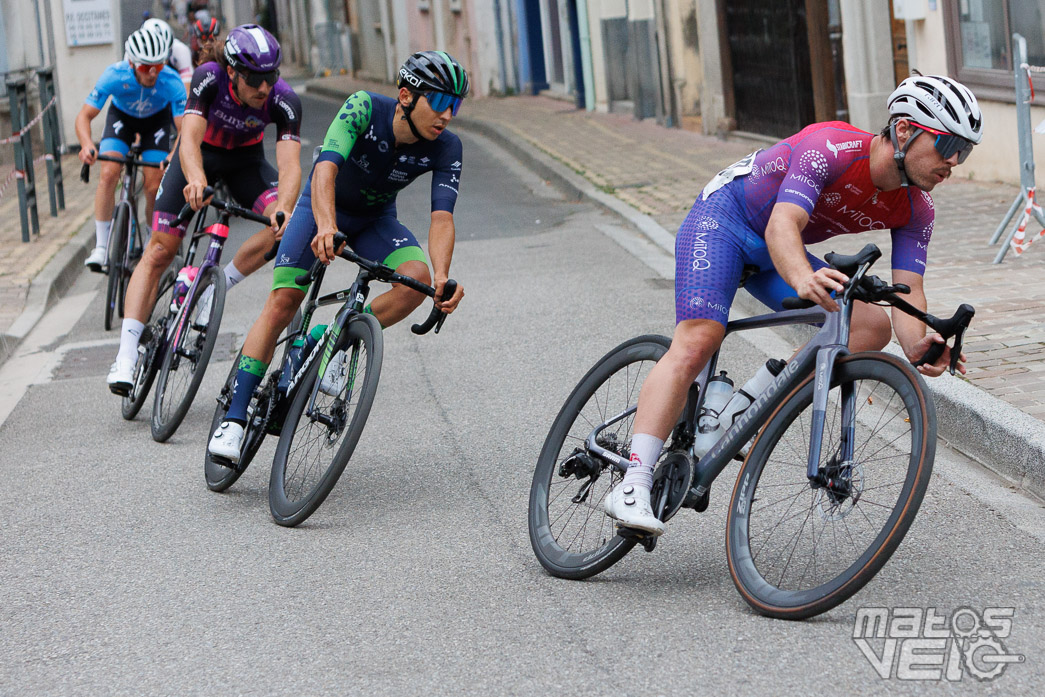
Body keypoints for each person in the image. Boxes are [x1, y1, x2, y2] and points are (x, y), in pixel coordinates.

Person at [603, 74, 983, 536]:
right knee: (700, 337)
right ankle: (632, 483)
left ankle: (748, 405)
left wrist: (921, 345)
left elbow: (908, 294)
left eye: (965, 150)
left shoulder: (917, 208)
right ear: (904, 131)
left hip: (774, 252)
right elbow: (784, 222)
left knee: (869, 325)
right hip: (725, 222)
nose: (955, 162)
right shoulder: (831, 146)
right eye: (949, 145)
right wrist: (803, 276)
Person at [207, 50, 468, 462]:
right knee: (283, 302)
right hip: (320, 207)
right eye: (438, 102)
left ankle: (330, 337)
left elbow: (441, 219)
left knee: (413, 279)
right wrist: (326, 226)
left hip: (375, 219)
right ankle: (234, 418)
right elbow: (326, 169)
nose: (447, 115)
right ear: (405, 96)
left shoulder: (447, 146)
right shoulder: (363, 106)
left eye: (454, 105)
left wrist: (441, 278)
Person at [107, 24, 302, 395]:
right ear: (232, 71)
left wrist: (285, 208)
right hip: (199, 158)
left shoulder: (284, 99)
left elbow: (290, 165)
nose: (264, 88)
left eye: (271, 76)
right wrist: (195, 179)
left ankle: (216, 288)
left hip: (246, 163)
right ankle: (126, 355)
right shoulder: (208, 77)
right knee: (161, 249)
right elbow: (190, 138)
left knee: (282, 226)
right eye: (255, 78)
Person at [77, 28, 186, 272]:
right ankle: (102, 246)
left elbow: (184, 130)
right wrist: (86, 144)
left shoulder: (171, 81)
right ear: (131, 63)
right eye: (145, 67)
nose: (152, 73)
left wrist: (172, 155)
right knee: (108, 174)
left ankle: (151, 238)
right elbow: (84, 116)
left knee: (153, 185)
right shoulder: (114, 75)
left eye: (157, 66)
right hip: (122, 121)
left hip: (155, 125)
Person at [142, 18, 193, 93]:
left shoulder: (180, 50)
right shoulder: (133, 54)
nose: (160, 62)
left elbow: (187, 92)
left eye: (164, 56)